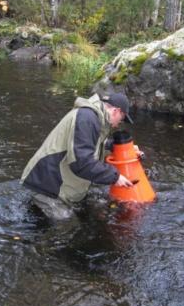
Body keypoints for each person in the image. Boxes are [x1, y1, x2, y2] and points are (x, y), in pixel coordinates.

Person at [21, 92, 135, 220]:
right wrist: (115, 177)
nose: (118, 124)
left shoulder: (93, 118)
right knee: (67, 229)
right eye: (121, 118)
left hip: (55, 184)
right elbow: (82, 163)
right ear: (115, 111)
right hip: (49, 189)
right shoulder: (87, 118)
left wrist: (125, 150)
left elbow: (94, 147)